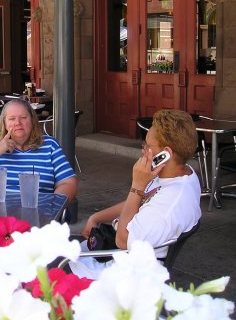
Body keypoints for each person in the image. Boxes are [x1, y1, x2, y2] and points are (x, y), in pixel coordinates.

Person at [69, 109, 201, 279]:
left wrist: (137, 186)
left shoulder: (169, 205)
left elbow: (122, 240)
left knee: (43, 263)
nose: (143, 151)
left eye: (147, 145)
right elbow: (140, 201)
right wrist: (97, 217)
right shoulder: (181, 174)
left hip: (121, 274)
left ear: (165, 154)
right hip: (117, 255)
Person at [0, 98, 78, 202]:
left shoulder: (49, 145)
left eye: (23, 117)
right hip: (0, 218)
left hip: (39, 216)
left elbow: (68, 183)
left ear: (32, 120)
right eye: (12, 119)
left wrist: (51, 207)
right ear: (4, 123)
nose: (18, 123)